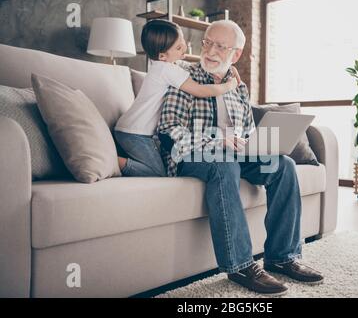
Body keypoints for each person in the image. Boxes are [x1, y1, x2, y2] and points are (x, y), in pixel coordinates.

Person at [157, 20, 324, 295]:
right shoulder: (183, 76)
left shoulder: (239, 87)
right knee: (224, 164)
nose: (210, 51)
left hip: (234, 154)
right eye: (207, 42)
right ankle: (241, 265)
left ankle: (282, 257)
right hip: (193, 153)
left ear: (235, 54)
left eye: (220, 46)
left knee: (284, 166)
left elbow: (247, 132)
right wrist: (216, 140)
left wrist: (256, 143)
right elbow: (169, 130)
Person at [114, 19, 240, 177]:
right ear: (162, 56)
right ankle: (112, 161)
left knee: (157, 171)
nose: (184, 49)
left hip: (131, 129)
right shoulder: (167, 70)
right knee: (157, 173)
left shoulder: (162, 65)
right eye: (179, 47)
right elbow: (200, 90)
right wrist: (229, 85)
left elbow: (188, 65)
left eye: (183, 43)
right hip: (133, 132)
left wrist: (229, 67)